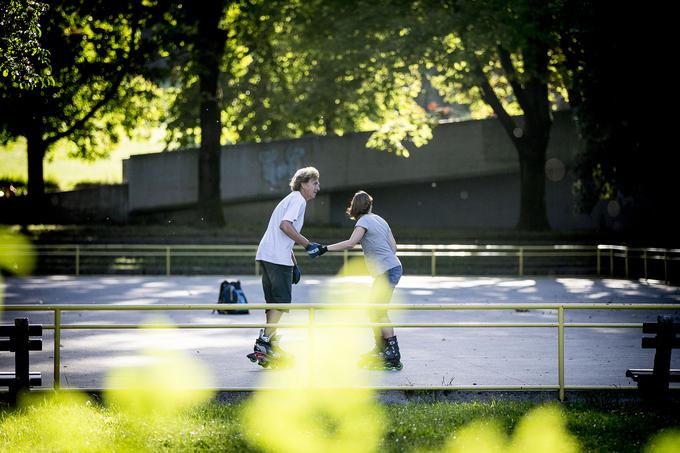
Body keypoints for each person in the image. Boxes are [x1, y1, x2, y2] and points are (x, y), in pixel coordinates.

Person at [313, 190, 403, 370]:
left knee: (378, 310)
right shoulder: (380, 220)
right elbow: (393, 247)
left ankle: (392, 353)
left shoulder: (363, 222)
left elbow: (350, 243)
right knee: (374, 310)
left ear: (355, 207)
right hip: (392, 266)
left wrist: (324, 248)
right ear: (369, 205)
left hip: (386, 270)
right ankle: (380, 349)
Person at [247, 166, 324, 368]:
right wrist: (308, 244)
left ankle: (270, 344)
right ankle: (264, 344)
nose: (318, 187)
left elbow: (284, 237)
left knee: (273, 303)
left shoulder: (290, 199)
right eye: (314, 183)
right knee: (281, 303)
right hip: (276, 258)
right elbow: (285, 226)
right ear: (303, 183)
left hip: (269, 254)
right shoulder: (298, 199)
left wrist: (294, 263)